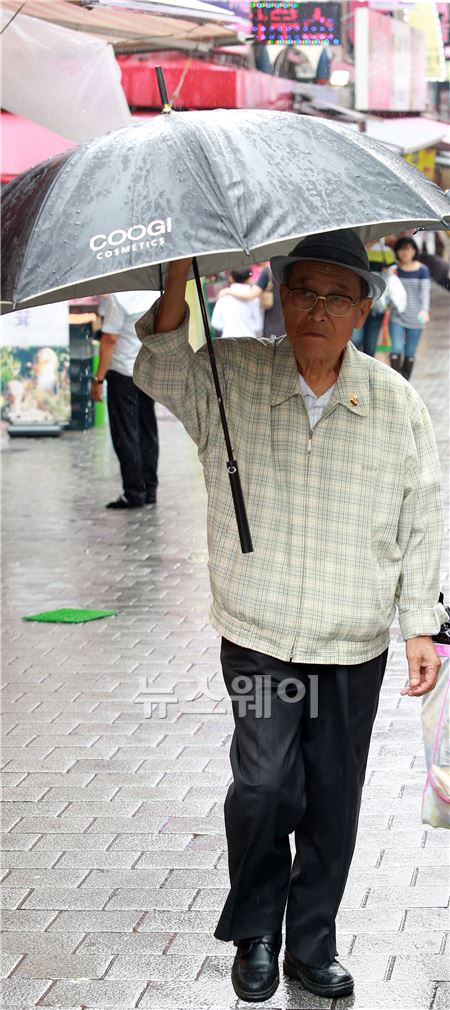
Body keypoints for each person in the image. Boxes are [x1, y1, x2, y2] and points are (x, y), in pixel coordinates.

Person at [133, 230, 446, 1003]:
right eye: (303, 290)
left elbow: (424, 518)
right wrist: (179, 272)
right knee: (268, 784)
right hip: (261, 631)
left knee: (333, 798)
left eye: (338, 295)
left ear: (365, 309)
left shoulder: (395, 404)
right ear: (278, 292)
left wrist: (421, 625)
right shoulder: (234, 375)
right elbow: (161, 367)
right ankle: (255, 932)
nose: (318, 309)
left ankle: (312, 946)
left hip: (351, 636)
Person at [91, 290, 159, 509]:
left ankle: (134, 492)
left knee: (126, 433)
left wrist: (98, 379)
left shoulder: (118, 298)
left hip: (122, 373)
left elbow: (109, 339)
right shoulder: (155, 292)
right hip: (148, 370)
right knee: (147, 430)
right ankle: (149, 489)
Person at [388, 237, 431, 380]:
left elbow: (425, 293)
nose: (405, 252)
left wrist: (424, 311)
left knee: (410, 352)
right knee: (396, 349)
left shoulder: (422, 270)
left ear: (414, 251)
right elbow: (390, 291)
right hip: (397, 316)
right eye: (402, 249)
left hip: (417, 317)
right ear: (397, 252)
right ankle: (398, 381)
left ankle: (406, 382)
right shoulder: (394, 270)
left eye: (408, 248)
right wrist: (389, 275)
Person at [351, 238, 396, 356]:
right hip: (358, 303)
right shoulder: (356, 251)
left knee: (370, 345)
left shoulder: (386, 252)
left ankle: (365, 372)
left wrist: (387, 272)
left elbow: (393, 276)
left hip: (378, 304)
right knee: (354, 342)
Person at [217, 263, 285, 338]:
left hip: (273, 323)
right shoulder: (289, 269)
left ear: (231, 278)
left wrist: (227, 291)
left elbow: (251, 295)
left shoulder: (268, 271)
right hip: (289, 319)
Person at [211, 269, 264, 339]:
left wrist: (228, 327)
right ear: (249, 278)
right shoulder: (254, 299)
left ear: (231, 278)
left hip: (228, 341)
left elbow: (215, 323)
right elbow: (258, 326)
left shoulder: (224, 297)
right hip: (250, 341)